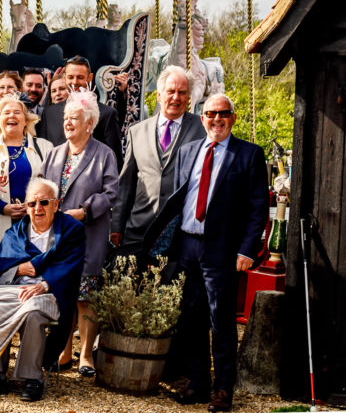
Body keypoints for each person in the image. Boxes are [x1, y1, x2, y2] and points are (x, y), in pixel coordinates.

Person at [144, 93, 268, 413]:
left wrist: (247, 250)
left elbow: (258, 209)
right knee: (190, 318)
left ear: (233, 117)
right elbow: (176, 200)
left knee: (221, 321)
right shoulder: (188, 151)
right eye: (210, 114)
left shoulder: (249, 155)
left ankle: (224, 389)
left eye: (223, 114)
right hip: (186, 245)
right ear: (202, 118)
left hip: (222, 249)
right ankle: (198, 383)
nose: (216, 119)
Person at [38, 90, 119, 376]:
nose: (68, 122)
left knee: (85, 295)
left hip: (88, 234)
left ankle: (85, 354)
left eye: (75, 118)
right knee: (62, 293)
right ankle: (63, 351)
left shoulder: (103, 154)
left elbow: (111, 193)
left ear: (89, 123)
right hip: (58, 236)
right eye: (66, 118)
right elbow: (42, 188)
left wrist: (84, 211)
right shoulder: (54, 153)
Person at [0, 177, 87, 401]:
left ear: (55, 204)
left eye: (43, 202)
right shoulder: (15, 233)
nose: (37, 208)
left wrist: (43, 284)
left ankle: (32, 379)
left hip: (51, 293)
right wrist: (18, 270)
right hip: (16, 291)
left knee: (32, 313)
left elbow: (71, 267)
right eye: (32, 204)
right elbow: (2, 268)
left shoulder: (71, 230)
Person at [111, 65, 205, 255]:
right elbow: (126, 184)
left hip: (178, 232)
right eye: (170, 91)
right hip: (138, 228)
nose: (176, 98)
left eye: (182, 93)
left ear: (188, 98)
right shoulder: (136, 132)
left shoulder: (201, 129)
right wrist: (117, 226)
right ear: (159, 95)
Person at [0, 94, 51, 259]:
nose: (11, 116)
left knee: (29, 277)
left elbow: (52, 186)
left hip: (34, 223)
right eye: (6, 113)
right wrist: (3, 207)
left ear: (26, 120)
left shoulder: (45, 147)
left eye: (17, 112)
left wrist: (32, 205)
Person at [37, 57, 122, 160]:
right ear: (64, 78)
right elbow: (41, 154)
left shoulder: (107, 114)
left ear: (90, 78)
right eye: (70, 77)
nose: (75, 82)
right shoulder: (49, 113)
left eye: (80, 77)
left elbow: (114, 160)